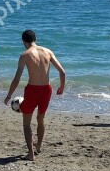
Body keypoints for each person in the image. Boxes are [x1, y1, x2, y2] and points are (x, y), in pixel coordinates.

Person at [4, 30, 66, 161]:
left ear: (24, 42)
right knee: (41, 119)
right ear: (35, 38)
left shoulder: (25, 55)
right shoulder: (48, 51)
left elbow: (17, 78)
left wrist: (9, 95)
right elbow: (62, 72)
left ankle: (31, 153)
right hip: (47, 89)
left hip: (32, 90)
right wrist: (61, 87)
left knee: (26, 123)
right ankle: (38, 146)